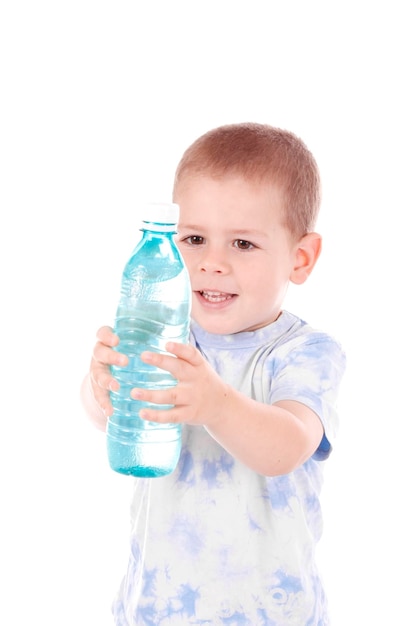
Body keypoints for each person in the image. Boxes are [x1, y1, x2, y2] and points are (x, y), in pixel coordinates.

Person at [81, 122, 346, 625]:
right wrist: (102, 388)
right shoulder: (170, 334)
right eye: (195, 238)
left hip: (269, 611)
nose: (212, 263)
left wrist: (218, 405)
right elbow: (105, 417)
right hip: (156, 607)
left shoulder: (302, 352)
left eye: (243, 244)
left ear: (301, 257)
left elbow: (287, 447)